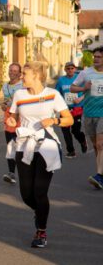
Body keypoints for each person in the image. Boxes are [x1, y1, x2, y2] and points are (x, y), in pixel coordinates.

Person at [6, 61, 73, 248]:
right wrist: (12, 120)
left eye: (24, 74)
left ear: (36, 75)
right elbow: (14, 116)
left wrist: (54, 119)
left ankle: (41, 231)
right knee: (26, 194)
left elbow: (68, 119)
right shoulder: (19, 94)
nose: (21, 77)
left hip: (47, 146)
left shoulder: (53, 95)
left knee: (39, 191)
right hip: (24, 146)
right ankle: (41, 211)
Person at [71, 46, 103, 189]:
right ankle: (101, 173)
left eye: (99, 57)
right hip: (89, 113)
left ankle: (99, 175)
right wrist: (84, 89)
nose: (95, 59)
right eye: (95, 56)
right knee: (96, 146)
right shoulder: (86, 73)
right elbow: (72, 88)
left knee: (101, 144)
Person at [55, 62, 87, 158]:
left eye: (72, 68)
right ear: (65, 69)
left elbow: (88, 91)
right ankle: (71, 151)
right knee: (65, 131)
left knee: (75, 130)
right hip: (64, 109)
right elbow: (57, 93)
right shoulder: (61, 80)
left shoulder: (80, 79)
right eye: (68, 68)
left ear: (75, 69)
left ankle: (82, 140)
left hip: (77, 107)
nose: (70, 70)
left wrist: (80, 99)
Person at [1, 63, 23, 184]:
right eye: (11, 70)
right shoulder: (5, 86)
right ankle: (11, 173)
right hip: (8, 121)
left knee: (20, 147)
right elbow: (5, 101)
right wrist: (3, 105)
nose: (12, 72)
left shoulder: (23, 85)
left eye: (15, 70)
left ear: (20, 73)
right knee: (10, 147)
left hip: (20, 120)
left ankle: (24, 172)